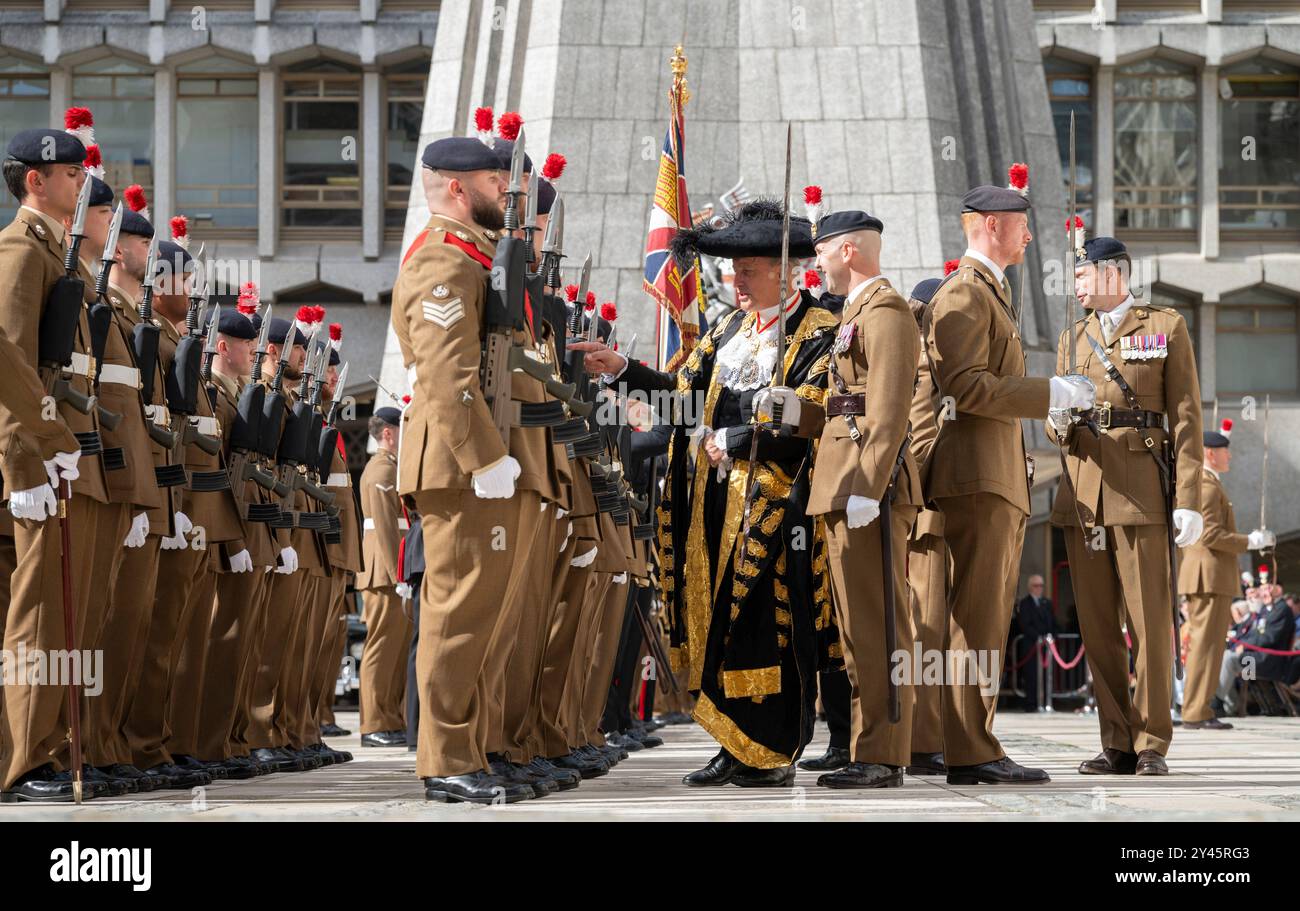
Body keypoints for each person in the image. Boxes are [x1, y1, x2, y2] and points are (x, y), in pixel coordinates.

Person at [574, 198, 840, 787]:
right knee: (715, 619)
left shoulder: (819, 331)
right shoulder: (727, 330)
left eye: (748, 270)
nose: (736, 281)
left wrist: (740, 436)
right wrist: (621, 368)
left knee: (764, 620)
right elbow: (683, 394)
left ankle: (768, 747)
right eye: (733, 270)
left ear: (784, 269)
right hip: (714, 500)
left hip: (777, 502)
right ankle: (730, 738)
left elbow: (815, 414)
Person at [924, 169, 1089, 785]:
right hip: (976, 478)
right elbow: (965, 387)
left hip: (993, 477)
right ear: (991, 226)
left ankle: (971, 744)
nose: (1028, 237)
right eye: (1021, 225)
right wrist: (1049, 392)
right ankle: (971, 748)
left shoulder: (988, 291)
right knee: (976, 616)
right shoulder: (966, 293)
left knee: (983, 617)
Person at [760, 210, 921, 789]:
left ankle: (882, 752)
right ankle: (864, 744)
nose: (816, 263)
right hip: (840, 482)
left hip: (863, 488)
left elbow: (889, 406)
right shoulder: (853, 312)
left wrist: (869, 487)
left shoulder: (888, 312)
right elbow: (842, 408)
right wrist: (793, 412)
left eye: (822, 252)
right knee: (855, 628)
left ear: (849, 251)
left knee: (877, 624)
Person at [1050, 235, 1204, 777]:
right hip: (1085, 489)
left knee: (1149, 624)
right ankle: (1115, 739)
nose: (1075, 285)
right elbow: (1054, 419)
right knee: (1097, 627)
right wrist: (1059, 418)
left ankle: (1151, 742)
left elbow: (1185, 415)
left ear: (1113, 273)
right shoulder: (1073, 337)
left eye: (1082, 275)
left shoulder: (1165, 326)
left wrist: (1189, 497)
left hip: (1140, 490)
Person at [0, 128, 115, 802]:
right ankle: (21, 759)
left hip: (58, 459)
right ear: (34, 180)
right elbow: (10, 360)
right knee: (37, 619)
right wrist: (28, 462)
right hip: (37, 462)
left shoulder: (56, 254)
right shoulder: (19, 249)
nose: (82, 181)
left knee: (62, 620)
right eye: (69, 172)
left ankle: (50, 746)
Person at [1177, 420, 1272, 730]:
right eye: (1224, 452)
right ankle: (1195, 711)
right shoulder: (1205, 485)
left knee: (1210, 645)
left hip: (1210, 576)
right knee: (1206, 645)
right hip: (1208, 575)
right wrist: (1250, 542)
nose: (1229, 457)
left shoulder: (1209, 482)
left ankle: (1198, 708)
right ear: (1209, 453)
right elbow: (1211, 534)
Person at [356, 407, 410, 747]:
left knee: (396, 649)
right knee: (381, 648)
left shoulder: (392, 468)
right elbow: (388, 528)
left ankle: (390, 718)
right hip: (383, 571)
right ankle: (374, 722)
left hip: (391, 570)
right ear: (388, 434)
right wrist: (398, 573)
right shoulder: (381, 469)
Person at [1216, 585, 1297, 715]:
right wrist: (1240, 645)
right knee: (1223, 657)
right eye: (1262, 590)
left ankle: (1219, 704)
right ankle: (1224, 704)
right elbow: (1253, 634)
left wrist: (1244, 646)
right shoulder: (1265, 609)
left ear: (1278, 590)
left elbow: (1269, 637)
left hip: (1269, 662)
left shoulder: (1281, 609)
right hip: (1256, 658)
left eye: (1268, 589)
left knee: (1229, 659)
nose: (1264, 594)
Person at [1014, 575, 1055, 712]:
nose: (1039, 588)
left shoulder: (1046, 603)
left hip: (1046, 647)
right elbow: (1025, 624)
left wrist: (1051, 636)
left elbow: (1052, 622)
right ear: (1030, 587)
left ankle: (1045, 702)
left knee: (1046, 676)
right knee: (1032, 675)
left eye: (1041, 585)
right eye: (1036, 586)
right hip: (1031, 645)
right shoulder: (1025, 604)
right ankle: (1031, 704)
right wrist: (1038, 637)